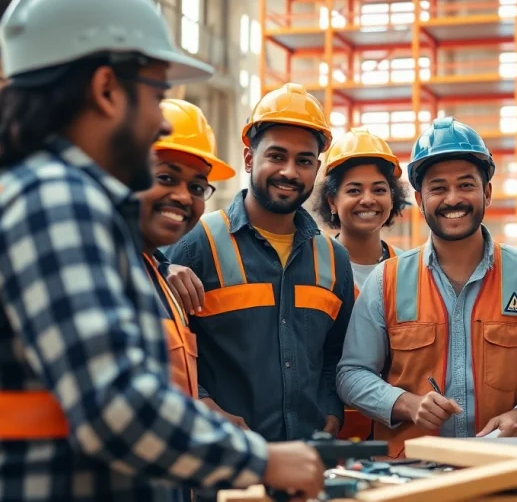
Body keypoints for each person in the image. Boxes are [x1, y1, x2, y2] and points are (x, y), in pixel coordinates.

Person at [0, 0, 323, 501]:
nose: (160, 122)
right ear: (106, 90)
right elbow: (116, 405)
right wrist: (264, 460)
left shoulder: (34, 195)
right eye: (156, 94)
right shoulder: (52, 201)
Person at [336, 117, 517, 458]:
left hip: (507, 468)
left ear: (487, 192)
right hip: (413, 476)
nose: (453, 199)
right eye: (438, 188)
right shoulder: (386, 281)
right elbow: (351, 373)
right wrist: (404, 403)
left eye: (466, 185)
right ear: (420, 200)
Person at [163, 83, 355, 448]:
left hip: (306, 466)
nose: (289, 171)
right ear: (250, 159)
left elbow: (335, 355)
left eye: (303, 161)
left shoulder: (334, 260)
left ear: (316, 167)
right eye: (276, 156)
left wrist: (331, 413)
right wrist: (208, 408)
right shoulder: (195, 244)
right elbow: (169, 350)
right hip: (223, 464)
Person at [138, 98, 247, 433]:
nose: (184, 197)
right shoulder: (101, 273)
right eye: (167, 177)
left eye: (197, 187)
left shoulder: (163, 278)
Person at [314, 127, 411, 441]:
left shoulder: (409, 271)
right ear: (332, 200)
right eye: (354, 190)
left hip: (397, 435)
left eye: (379, 189)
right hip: (328, 434)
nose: (368, 199)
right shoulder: (311, 266)